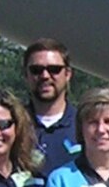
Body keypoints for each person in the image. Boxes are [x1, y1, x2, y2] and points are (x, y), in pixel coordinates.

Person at [22, 39, 80, 167]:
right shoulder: (12, 125)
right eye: (36, 70)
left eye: (54, 69)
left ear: (68, 74)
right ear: (26, 74)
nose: (45, 76)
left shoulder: (84, 125)